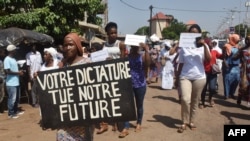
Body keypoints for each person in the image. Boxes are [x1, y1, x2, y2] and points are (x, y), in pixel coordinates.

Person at [56, 32, 94, 141]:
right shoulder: (63, 65)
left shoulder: (87, 63)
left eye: (70, 45)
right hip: (66, 117)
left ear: (77, 46)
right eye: (65, 45)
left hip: (82, 117)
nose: (67, 48)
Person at [175, 24, 211, 133]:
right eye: (191, 32)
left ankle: (192, 121)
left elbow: (208, 60)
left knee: (195, 100)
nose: (193, 34)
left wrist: (204, 45)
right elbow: (180, 63)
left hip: (199, 77)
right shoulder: (184, 47)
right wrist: (177, 77)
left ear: (199, 34)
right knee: (185, 99)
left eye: (196, 32)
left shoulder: (204, 46)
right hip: (185, 76)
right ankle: (184, 121)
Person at [96, 21, 126, 134]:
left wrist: (113, 61)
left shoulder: (121, 44)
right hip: (105, 76)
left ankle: (115, 123)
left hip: (117, 75)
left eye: (115, 32)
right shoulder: (103, 45)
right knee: (104, 100)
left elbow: (123, 61)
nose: (114, 34)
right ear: (107, 34)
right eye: (111, 33)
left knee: (116, 100)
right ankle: (104, 124)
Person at [118, 43, 151, 138]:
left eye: (137, 46)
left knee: (139, 105)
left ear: (139, 47)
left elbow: (148, 64)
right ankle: (126, 127)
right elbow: (121, 63)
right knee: (127, 105)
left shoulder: (142, 56)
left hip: (140, 84)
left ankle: (139, 123)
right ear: (131, 46)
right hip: (128, 84)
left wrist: (147, 50)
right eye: (133, 46)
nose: (135, 47)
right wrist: (122, 50)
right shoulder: (127, 56)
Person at [199, 39, 223, 109]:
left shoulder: (214, 51)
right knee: (204, 88)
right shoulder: (201, 52)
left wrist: (225, 51)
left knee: (212, 88)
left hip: (213, 73)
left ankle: (210, 98)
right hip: (204, 73)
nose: (212, 44)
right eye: (210, 43)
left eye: (212, 43)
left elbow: (222, 57)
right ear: (206, 44)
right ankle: (202, 102)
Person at [4, 45, 25, 119]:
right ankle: (11, 113)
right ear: (11, 51)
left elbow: (14, 69)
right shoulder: (7, 59)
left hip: (16, 81)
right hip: (10, 83)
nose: (16, 51)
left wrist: (19, 72)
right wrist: (18, 73)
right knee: (12, 98)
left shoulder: (13, 59)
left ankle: (15, 111)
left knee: (17, 98)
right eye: (15, 50)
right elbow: (7, 71)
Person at [222, 33, 241, 99]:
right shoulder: (226, 46)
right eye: (237, 39)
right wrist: (225, 63)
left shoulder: (238, 46)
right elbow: (223, 56)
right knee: (227, 80)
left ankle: (232, 93)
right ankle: (226, 94)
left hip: (236, 66)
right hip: (228, 65)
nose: (238, 41)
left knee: (236, 80)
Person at [233, 35, 250, 106]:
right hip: (245, 71)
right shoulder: (242, 49)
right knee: (243, 85)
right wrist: (241, 60)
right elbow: (234, 58)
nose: (248, 41)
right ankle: (240, 97)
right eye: (247, 40)